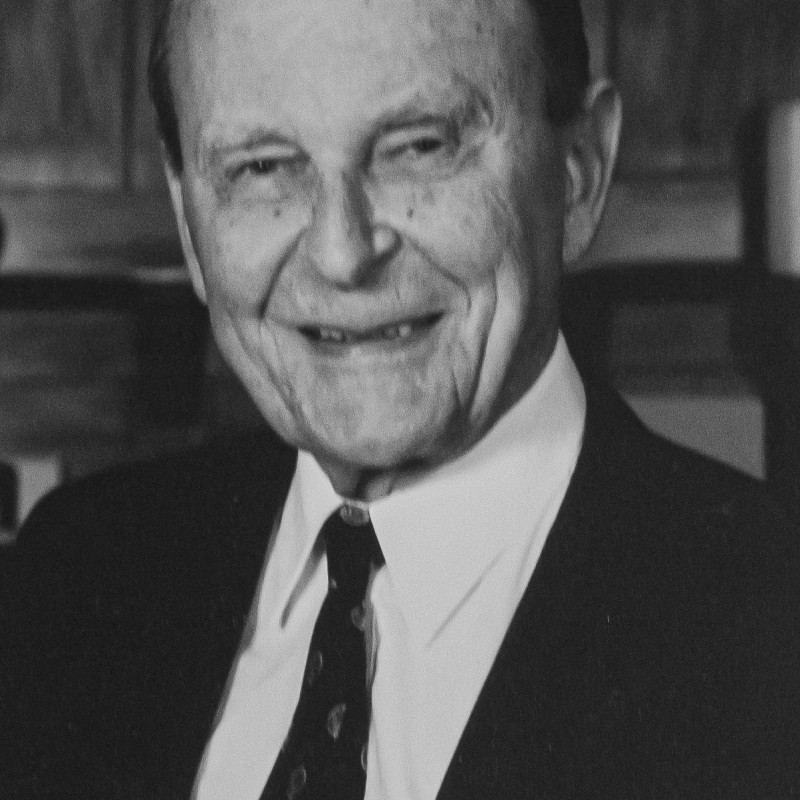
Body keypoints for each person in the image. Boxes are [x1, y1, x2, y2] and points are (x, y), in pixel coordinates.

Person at [1, 0, 798, 797]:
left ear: (579, 172)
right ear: (188, 220)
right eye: (263, 167)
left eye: (420, 147)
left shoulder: (769, 626)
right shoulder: (71, 578)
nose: (342, 253)